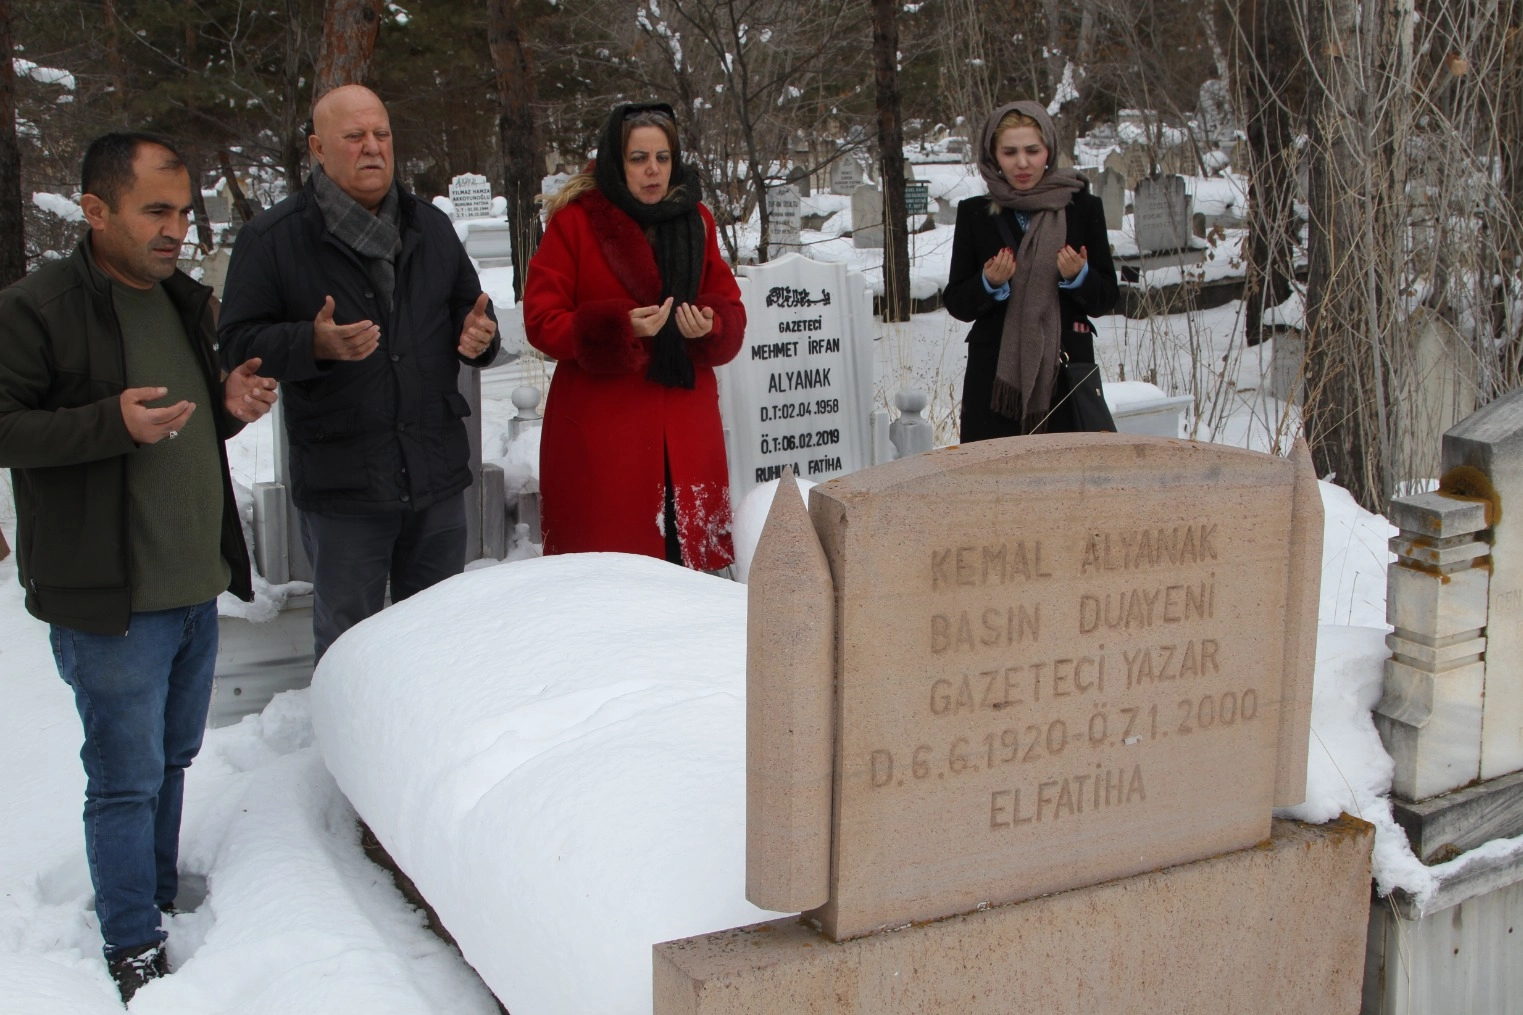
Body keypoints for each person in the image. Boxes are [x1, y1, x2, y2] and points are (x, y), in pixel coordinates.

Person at [0, 132, 277, 1001]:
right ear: (95, 210)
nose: (175, 230)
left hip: (191, 582)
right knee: (123, 780)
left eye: (184, 213)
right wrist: (107, 422)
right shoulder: (38, 308)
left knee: (172, 758)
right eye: (156, 210)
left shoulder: (182, 300)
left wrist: (227, 408)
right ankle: (131, 943)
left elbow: (177, 424)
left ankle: (153, 892)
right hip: (110, 600)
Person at [218, 85, 500, 663]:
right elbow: (238, 342)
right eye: (354, 136)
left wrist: (481, 338)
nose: (372, 147)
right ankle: (347, 725)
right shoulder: (273, 239)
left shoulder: (430, 227)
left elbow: (469, 312)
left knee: (440, 639)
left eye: (381, 134)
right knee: (350, 643)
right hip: (343, 480)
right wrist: (311, 343)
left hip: (434, 471)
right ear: (318, 148)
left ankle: (431, 726)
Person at [522, 102, 745, 569]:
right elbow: (541, 319)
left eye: (662, 157)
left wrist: (712, 325)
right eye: (638, 158)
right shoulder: (576, 221)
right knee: (608, 577)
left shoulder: (697, 219)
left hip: (685, 427)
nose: (653, 170)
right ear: (615, 162)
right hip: (604, 434)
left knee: (687, 574)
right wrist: (616, 328)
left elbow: (728, 304)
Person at [946, 100, 1118, 441]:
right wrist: (988, 283)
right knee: (994, 470)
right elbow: (957, 303)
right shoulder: (975, 213)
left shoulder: (1083, 208)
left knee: (1065, 471)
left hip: (1064, 372)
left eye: (1032, 151)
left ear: (1048, 150)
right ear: (993, 155)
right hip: (995, 381)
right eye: (1009, 152)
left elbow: (1106, 298)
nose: (1022, 163)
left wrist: (1079, 277)